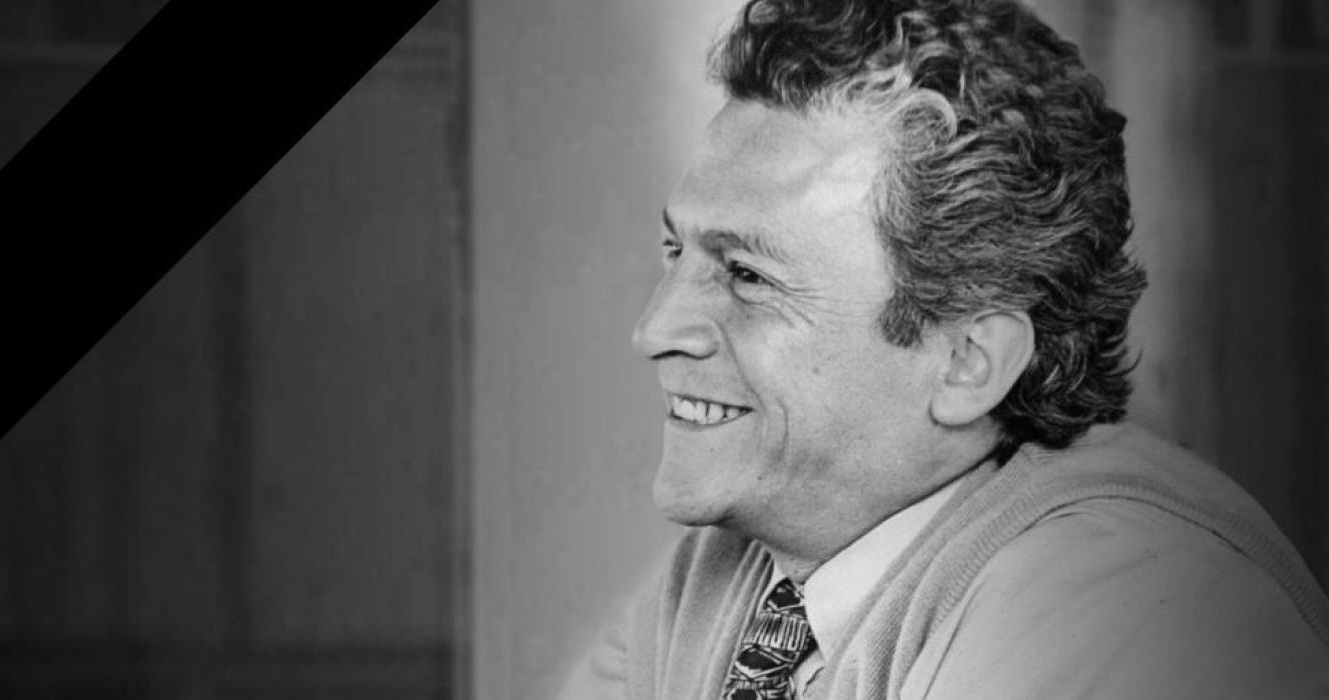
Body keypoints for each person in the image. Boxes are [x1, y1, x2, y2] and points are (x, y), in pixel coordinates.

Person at [558, 0, 1329, 698]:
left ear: (967, 361)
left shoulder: (1122, 603)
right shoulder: (722, 579)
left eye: (748, 276)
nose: (655, 329)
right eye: (676, 251)